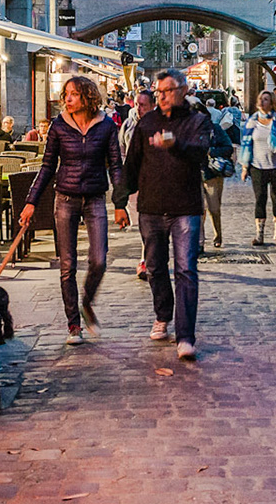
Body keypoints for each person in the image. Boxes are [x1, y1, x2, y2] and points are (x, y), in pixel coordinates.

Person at [18, 75, 130, 345]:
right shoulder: (58, 126)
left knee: (99, 260)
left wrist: (120, 204)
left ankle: (87, 303)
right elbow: (47, 166)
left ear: (88, 97)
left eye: (73, 94)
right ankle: (73, 326)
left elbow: (115, 165)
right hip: (65, 198)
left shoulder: (105, 126)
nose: (67, 99)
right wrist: (31, 201)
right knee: (67, 265)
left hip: (94, 199)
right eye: (66, 94)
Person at [124, 69, 212, 360]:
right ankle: (163, 314)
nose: (161, 96)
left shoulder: (198, 121)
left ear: (183, 90)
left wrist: (176, 144)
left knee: (186, 270)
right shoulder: (147, 123)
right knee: (155, 268)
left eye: (167, 90)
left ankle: (186, 336)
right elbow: (133, 161)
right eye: (158, 91)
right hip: (151, 206)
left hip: (185, 207)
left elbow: (200, 154)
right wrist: (120, 200)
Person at [242, 91, 276, 244]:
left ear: (272, 103)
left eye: (266, 99)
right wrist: (244, 166)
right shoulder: (252, 122)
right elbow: (246, 144)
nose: (262, 102)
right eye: (261, 99)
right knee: (260, 198)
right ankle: (259, 233)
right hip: (257, 166)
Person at [122, 88, 157, 279]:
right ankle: (148, 258)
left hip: (154, 184)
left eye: (142, 105)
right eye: (136, 104)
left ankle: (146, 260)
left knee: (151, 226)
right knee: (144, 225)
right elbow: (121, 148)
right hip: (136, 182)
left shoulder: (160, 125)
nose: (138, 108)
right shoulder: (129, 124)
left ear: (153, 105)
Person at [202, 106, 237, 249]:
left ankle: (218, 235)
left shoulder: (215, 129)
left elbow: (228, 148)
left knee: (214, 208)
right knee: (198, 210)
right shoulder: (189, 130)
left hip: (212, 175)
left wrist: (212, 151)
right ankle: (199, 241)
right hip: (194, 174)